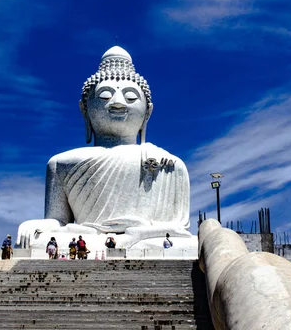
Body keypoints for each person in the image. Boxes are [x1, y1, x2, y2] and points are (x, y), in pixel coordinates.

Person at [16, 46, 192, 249]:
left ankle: (125, 240)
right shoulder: (60, 163)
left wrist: (138, 232)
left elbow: (178, 229)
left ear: (147, 113)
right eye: (105, 96)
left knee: (181, 245)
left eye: (131, 97)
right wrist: (39, 225)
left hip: (147, 238)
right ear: (85, 109)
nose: (118, 103)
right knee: (38, 242)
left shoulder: (168, 164)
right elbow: (58, 221)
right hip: (85, 237)